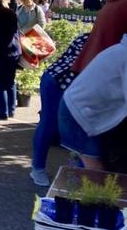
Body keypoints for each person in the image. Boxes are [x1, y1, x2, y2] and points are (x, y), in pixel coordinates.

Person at [59, 33, 127, 172]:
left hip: (85, 109)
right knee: (96, 171)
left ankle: (80, 189)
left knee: (92, 169)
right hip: (78, 113)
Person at [29, 33, 89, 186]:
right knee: (49, 124)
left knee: (80, 127)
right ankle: (37, 168)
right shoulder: (98, 40)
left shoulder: (97, 38)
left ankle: (79, 173)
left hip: (71, 83)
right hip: (58, 81)